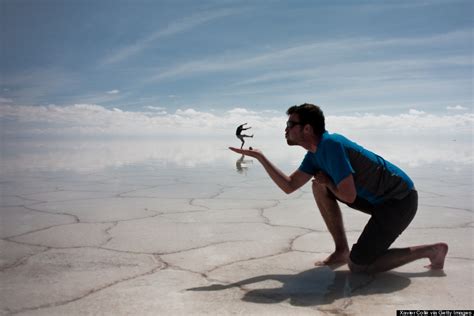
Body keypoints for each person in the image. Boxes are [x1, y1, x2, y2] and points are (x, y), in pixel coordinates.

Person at [229, 103, 448, 274]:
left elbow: (349, 196)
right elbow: (289, 186)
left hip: (400, 201)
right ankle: (341, 250)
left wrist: (328, 182)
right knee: (319, 187)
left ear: (307, 128)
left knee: (360, 267)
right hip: (377, 201)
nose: (285, 129)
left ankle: (431, 250)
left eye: (290, 124)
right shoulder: (314, 155)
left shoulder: (331, 144)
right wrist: (260, 157)